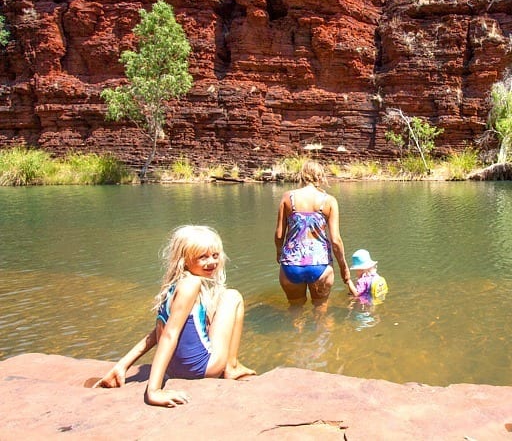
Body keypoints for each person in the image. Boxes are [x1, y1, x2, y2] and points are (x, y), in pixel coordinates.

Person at [93, 225, 255, 407]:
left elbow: (157, 332)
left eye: (215, 255)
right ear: (184, 260)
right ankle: (231, 367)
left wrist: (122, 365)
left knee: (210, 313)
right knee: (232, 296)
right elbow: (169, 335)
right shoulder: (191, 285)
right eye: (203, 257)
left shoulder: (175, 285)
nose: (211, 262)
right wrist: (153, 391)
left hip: (175, 370)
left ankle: (229, 365)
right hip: (201, 369)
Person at [275, 160, 358, 306]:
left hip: (291, 264)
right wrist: (344, 270)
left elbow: (279, 235)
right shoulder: (329, 201)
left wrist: (278, 252)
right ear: (320, 178)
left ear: (302, 176)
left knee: (295, 312)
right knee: (321, 315)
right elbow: (336, 241)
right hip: (321, 265)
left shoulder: (288, 198)